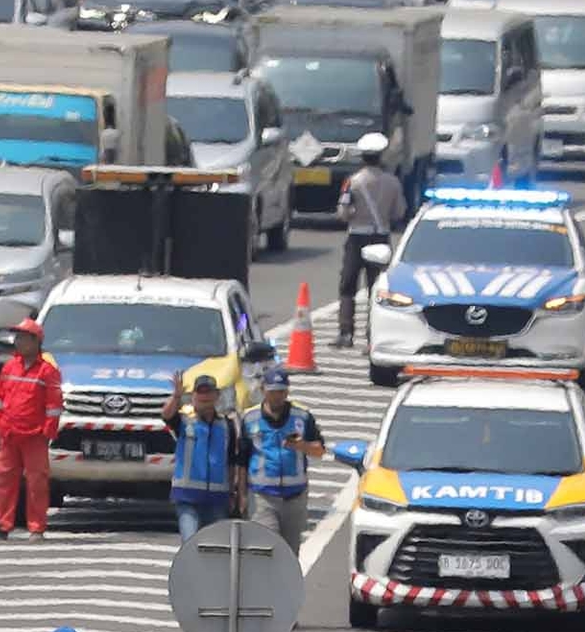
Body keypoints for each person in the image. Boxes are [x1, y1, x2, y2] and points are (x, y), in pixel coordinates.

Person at [0, 317, 63, 537]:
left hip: (34, 436)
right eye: (17, 337)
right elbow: (0, 398)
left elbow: (54, 405)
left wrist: (47, 431)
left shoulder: (47, 371)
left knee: (36, 483)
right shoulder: (10, 367)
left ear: (36, 341)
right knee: (4, 480)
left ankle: (36, 527)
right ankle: (2, 524)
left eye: (23, 338)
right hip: (9, 434)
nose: (18, 342)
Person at [337, 134, 405, 347]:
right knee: (376, 288)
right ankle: (373, 336)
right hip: (381, 236)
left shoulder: (353, 182)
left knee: (348, 285)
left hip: (357, 237)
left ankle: (346, 333)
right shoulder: (393, 182)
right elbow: (399, 212)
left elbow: (343, 212)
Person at [246, 370, 327, 548]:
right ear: (263, 390)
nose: (277, 396)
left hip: (295, 497)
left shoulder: (302, 416)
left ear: (287, 391)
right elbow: (240, 458)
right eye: (272, 392)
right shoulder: (249, 418)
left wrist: (302, 446)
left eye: (281, 391)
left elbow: (320, 450)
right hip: (262, 496)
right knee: (267, 548)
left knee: (290, 552)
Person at [166, 375, 244, 543]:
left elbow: (231, 461)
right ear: (193, 396)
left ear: (217, 396)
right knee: (190, 543)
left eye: (208, 392)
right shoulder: (184, 421)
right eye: (200, 392)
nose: (204, 397)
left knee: (214, 547)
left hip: (217, 499)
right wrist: (176, 397)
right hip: (187, 496)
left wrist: (233, 492)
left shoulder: (227, 425)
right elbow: (167, 415)